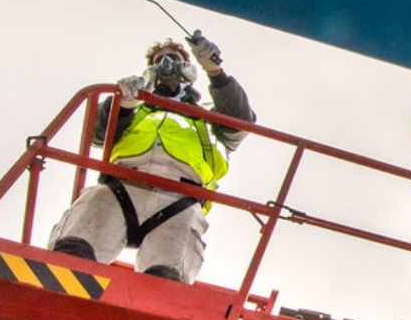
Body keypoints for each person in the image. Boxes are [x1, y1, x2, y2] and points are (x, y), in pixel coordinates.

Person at [48, 34, 256, 283]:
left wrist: (216, 72)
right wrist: (124, 103)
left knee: (164, 278)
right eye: (160, 60)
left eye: (176, 59)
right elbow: (98, 132)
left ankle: (157, 291)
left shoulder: (206, 119)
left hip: (180, 197)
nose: (168, 63)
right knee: (74, 251)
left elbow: (240, 121)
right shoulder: (136, 107)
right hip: (122, 185)